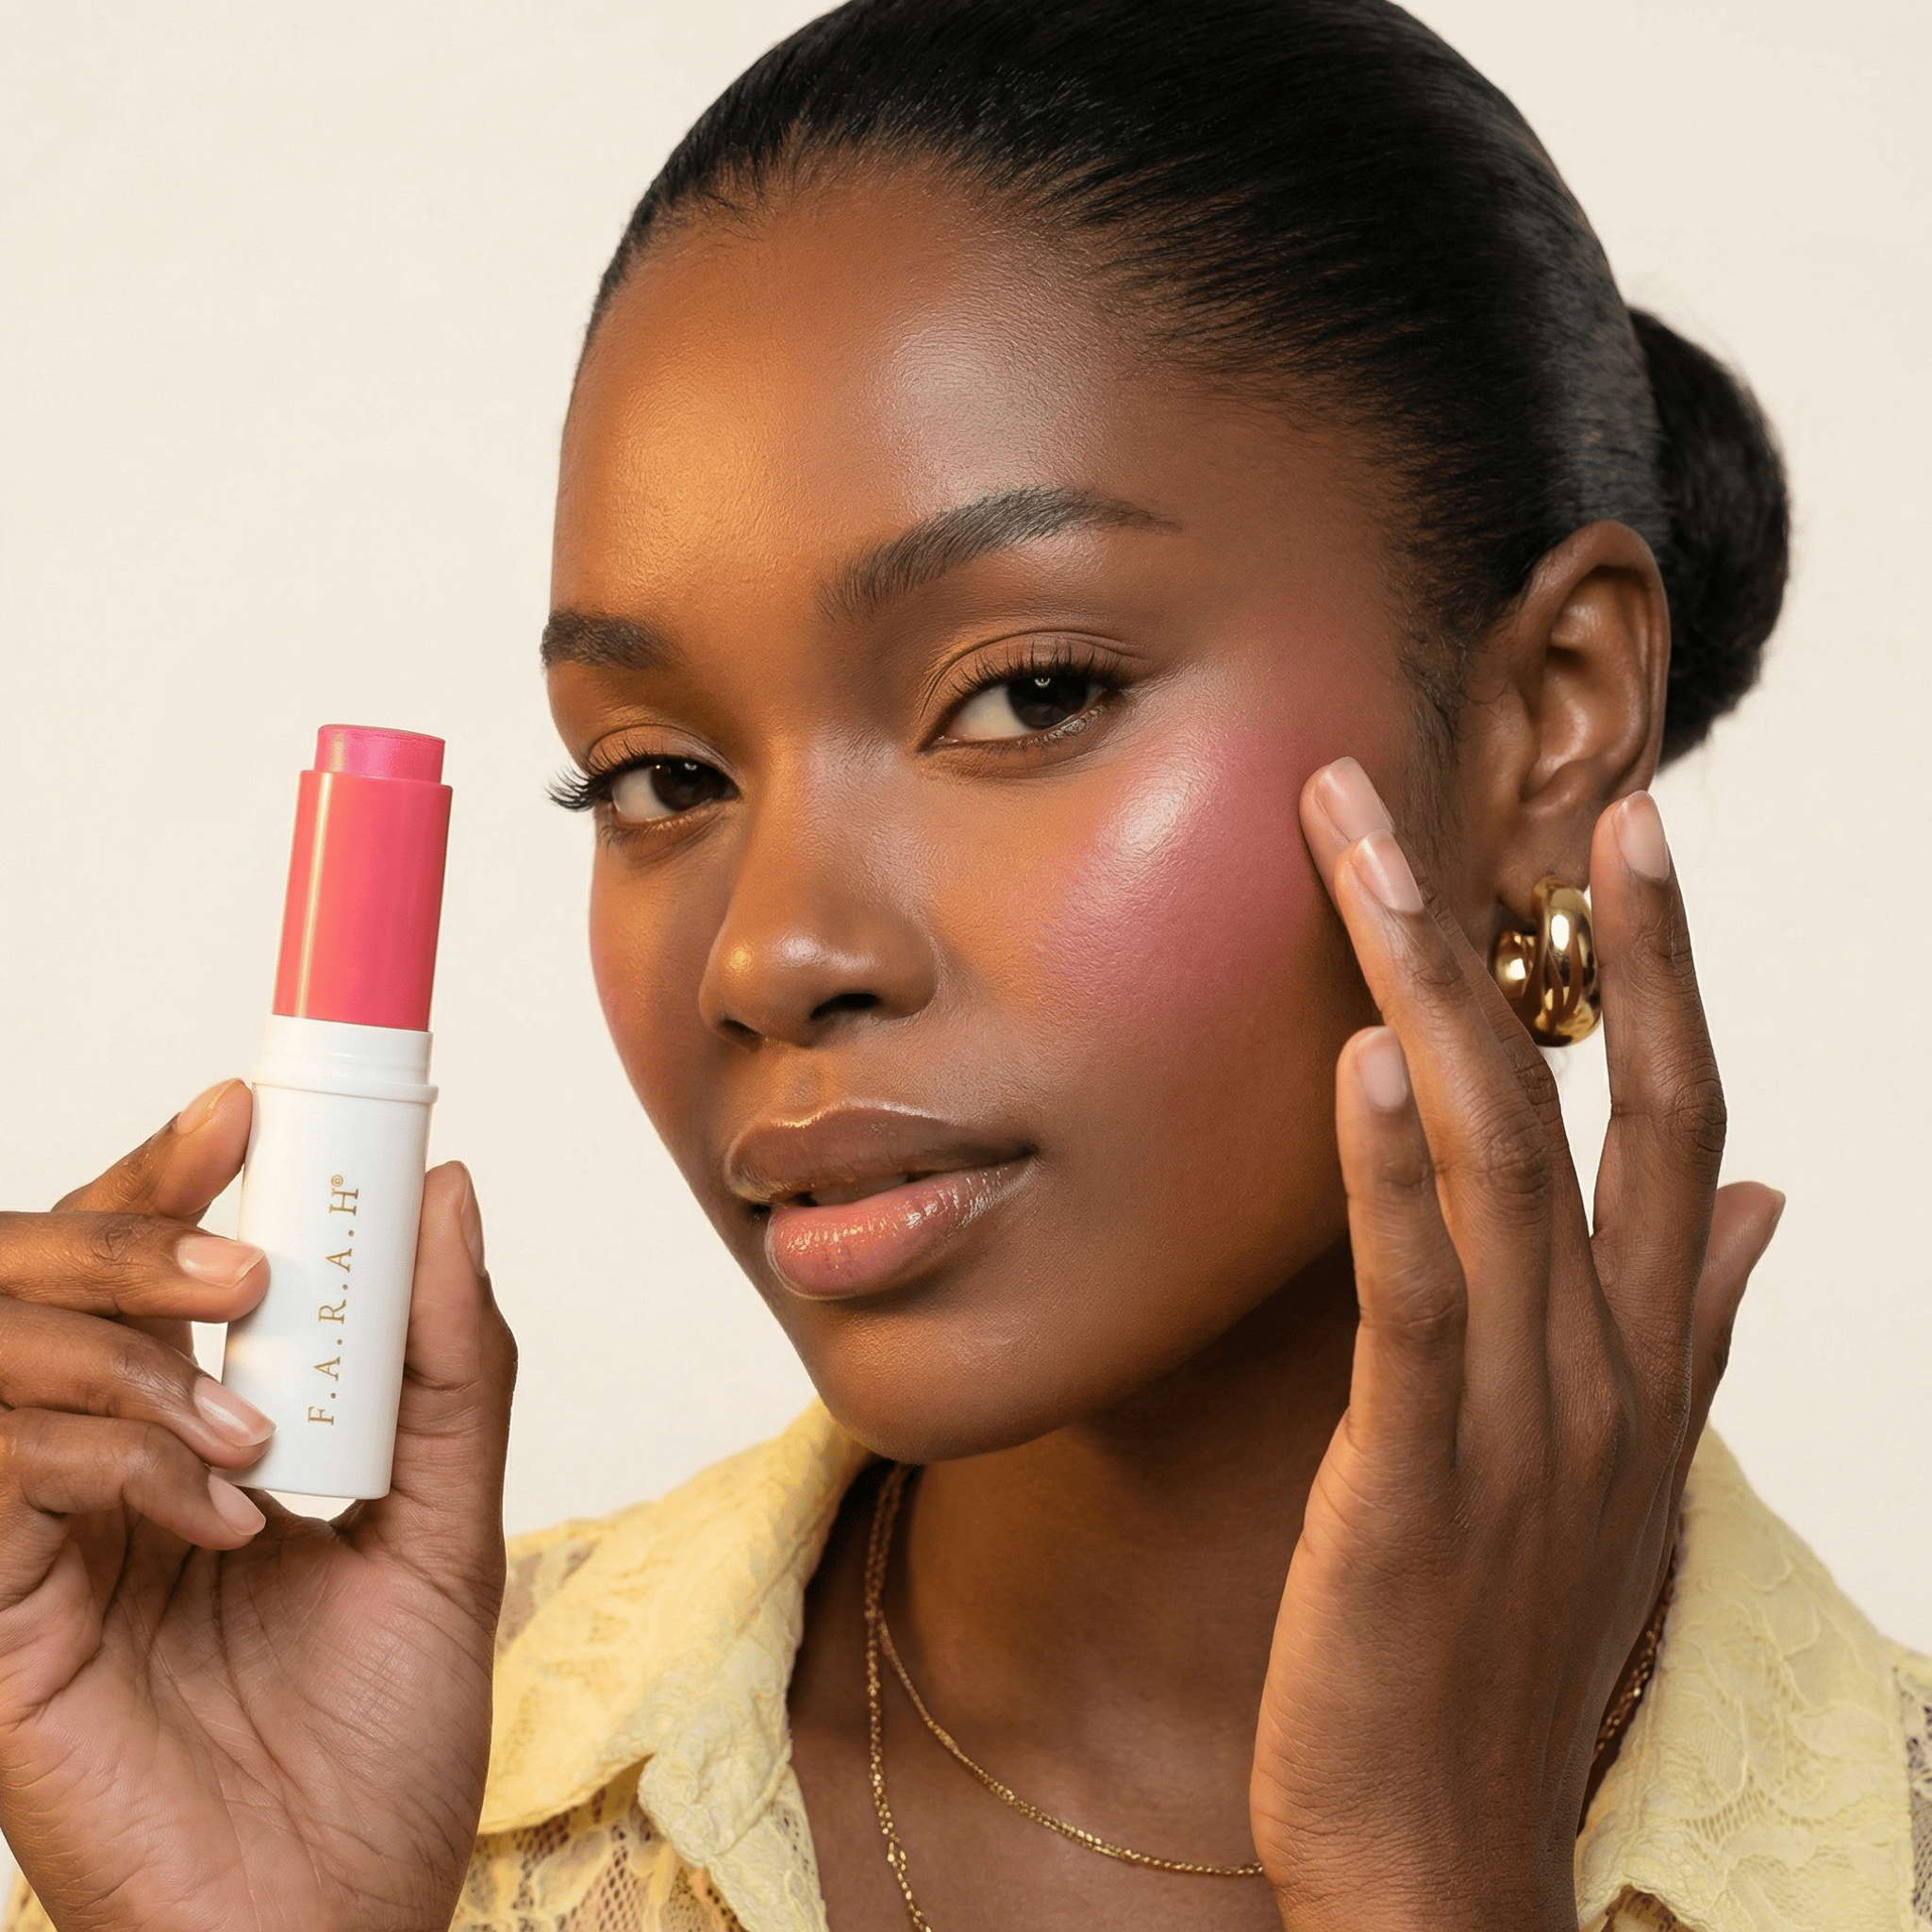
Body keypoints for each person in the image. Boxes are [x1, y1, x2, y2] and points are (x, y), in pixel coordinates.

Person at [3, 1, 1926, 1927]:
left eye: (1029, 693)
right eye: (660, 776)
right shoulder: (367, 1801)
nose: (772, 953)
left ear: (1549, 720)